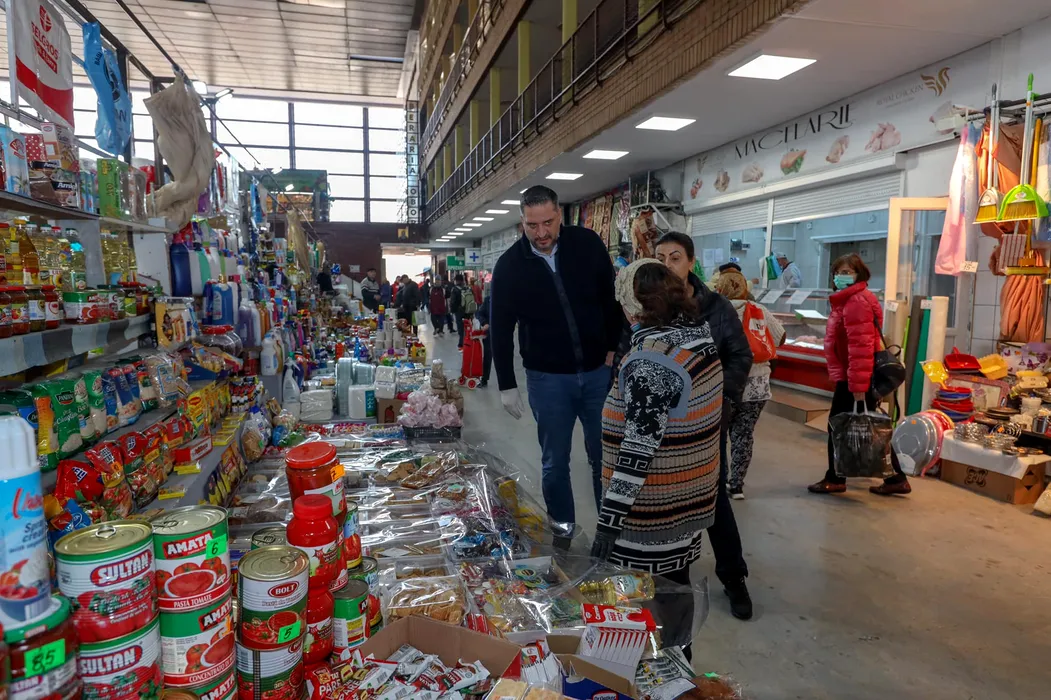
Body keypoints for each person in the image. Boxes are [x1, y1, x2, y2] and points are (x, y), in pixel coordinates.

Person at [591, 260, 725, 663]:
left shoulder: (652, 361)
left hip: (651, 512)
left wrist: (609, 522)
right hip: (688, 501)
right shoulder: (697, 339)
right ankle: (682, 668)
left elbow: (637, 451)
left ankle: (659, 675)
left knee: (645, 605)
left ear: (632, 307)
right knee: (675, 589)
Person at [491, 185, 622, 528]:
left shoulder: (587, 244)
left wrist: (614, 346)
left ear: (559, 214)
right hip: (547, 380)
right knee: (554, 463)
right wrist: (506, 384)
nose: (541, 233)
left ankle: (610, 533)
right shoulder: (509, 267)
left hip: (598, 373)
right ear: (522, 222)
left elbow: (611, 299)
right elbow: (500, 328)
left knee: (605, 458)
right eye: (532, 225)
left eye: (548, 222)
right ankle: (563, 533)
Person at [654, 231, 754, 620]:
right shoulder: (648, 305)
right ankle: (670, 580)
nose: (667, 264)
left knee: (713, 498)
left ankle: (733, 576)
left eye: (675, 257)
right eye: (660, 257)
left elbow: (740, 354)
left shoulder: (715, 307)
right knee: (667, 501)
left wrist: (720, 398)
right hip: (662, 423)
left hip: (706, 421)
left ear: (691, 262)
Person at [809, 253, 911, 496]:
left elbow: (860, 348)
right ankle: (895, 478)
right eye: (838, 272)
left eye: (846, 272)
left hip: (855, 377)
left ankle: (836, 478)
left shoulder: (856, 301)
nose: (840, 277)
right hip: (853, 375)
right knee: (868, 427)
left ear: (859, 274)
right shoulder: (848, 299)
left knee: (840, 425)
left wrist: (858, 386)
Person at [714, 269, 786, 499]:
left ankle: (718, 483)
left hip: (725, 383)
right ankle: (736, 485)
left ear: (720, 288)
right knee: (744, 435)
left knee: (719, 436)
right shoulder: (759, 309)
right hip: (757, 384)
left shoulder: (718, 311)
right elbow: (780, 337)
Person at [475, 290, 492, 387]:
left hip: (502, 334)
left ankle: (507, 383)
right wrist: (484, 323)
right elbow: (479, 313)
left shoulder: (505, 300)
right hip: (489, 333)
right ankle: (484, 379)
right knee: (487, 356)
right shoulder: (488, 300)